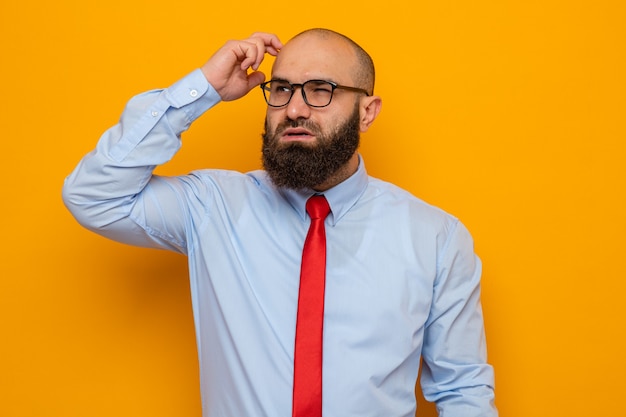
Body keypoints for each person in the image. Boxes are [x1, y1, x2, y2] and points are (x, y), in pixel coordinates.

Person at [62, 28, 497, 417]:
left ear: (367, 112)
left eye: (320, 90)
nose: (293, 109)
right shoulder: (212, 206)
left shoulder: (436, 238)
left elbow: (464, 390)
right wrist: (205, 88)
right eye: (283, 89)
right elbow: (94, 196)